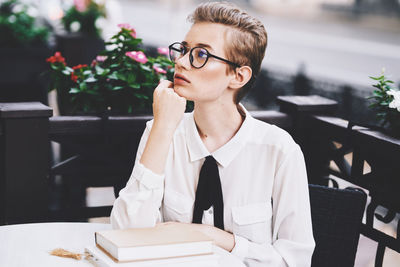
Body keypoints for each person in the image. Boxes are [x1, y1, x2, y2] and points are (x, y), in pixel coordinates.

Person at [110, 2, 315, 266]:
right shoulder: (162, 132)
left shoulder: (279, 151)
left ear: (238, 76)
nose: (181, 62)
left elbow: (295, 261)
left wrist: (213, 237)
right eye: (183, 50)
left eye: (200, 55)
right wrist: (162, 128)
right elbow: (125, 234)